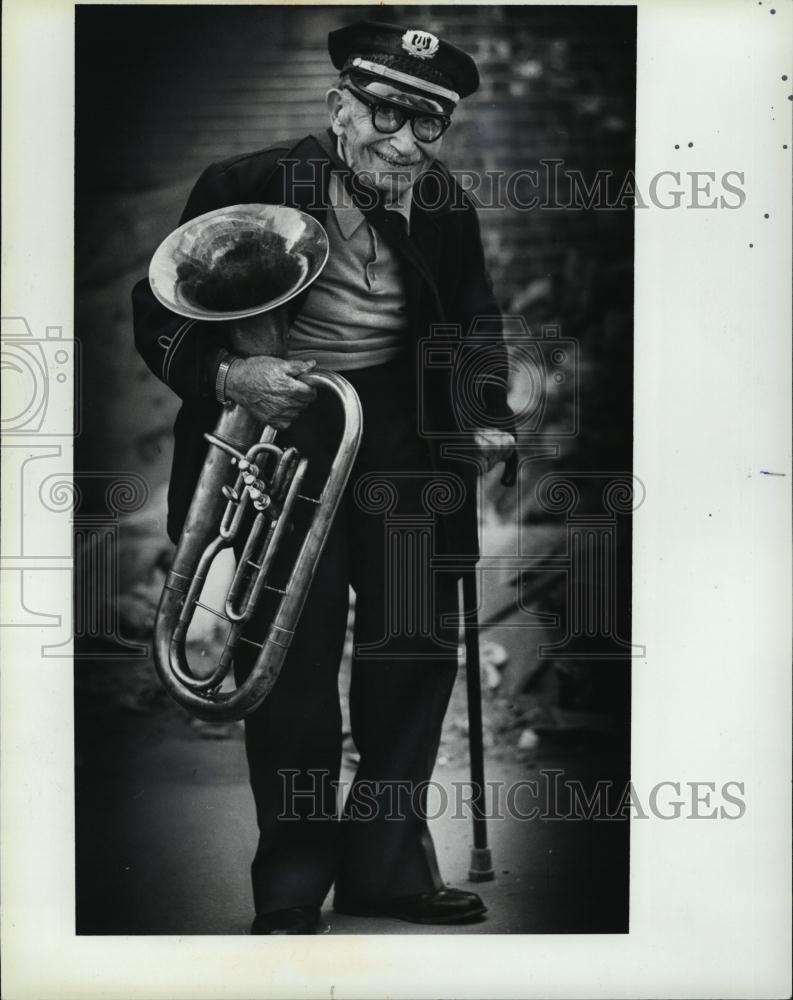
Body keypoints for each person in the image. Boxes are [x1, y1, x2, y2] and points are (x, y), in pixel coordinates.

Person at [132, 19, 516, 934]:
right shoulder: (247, 184)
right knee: (289, 663)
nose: (404, 140)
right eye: (386, 111)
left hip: (403, 438)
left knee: (412, 650)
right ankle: (294, 882)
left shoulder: (443, 202)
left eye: (428, 124)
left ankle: (387, 872)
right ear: (340, 105)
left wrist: (485, 412)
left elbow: (472, 319)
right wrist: (229, 377)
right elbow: (158, 310)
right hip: (283, 426)